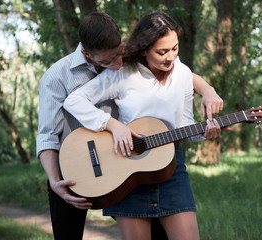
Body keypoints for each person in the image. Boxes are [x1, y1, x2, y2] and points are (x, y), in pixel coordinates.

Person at [36, 11, 223, 239]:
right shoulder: (58, 77)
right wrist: (55, 181)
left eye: (120, 53)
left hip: (130, 165)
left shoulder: (134, 60)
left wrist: (208, 90)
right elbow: (47, 135)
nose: (118, 63)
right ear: (87, 54)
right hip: (73, 163)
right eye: (108, 61)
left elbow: (177, 73)